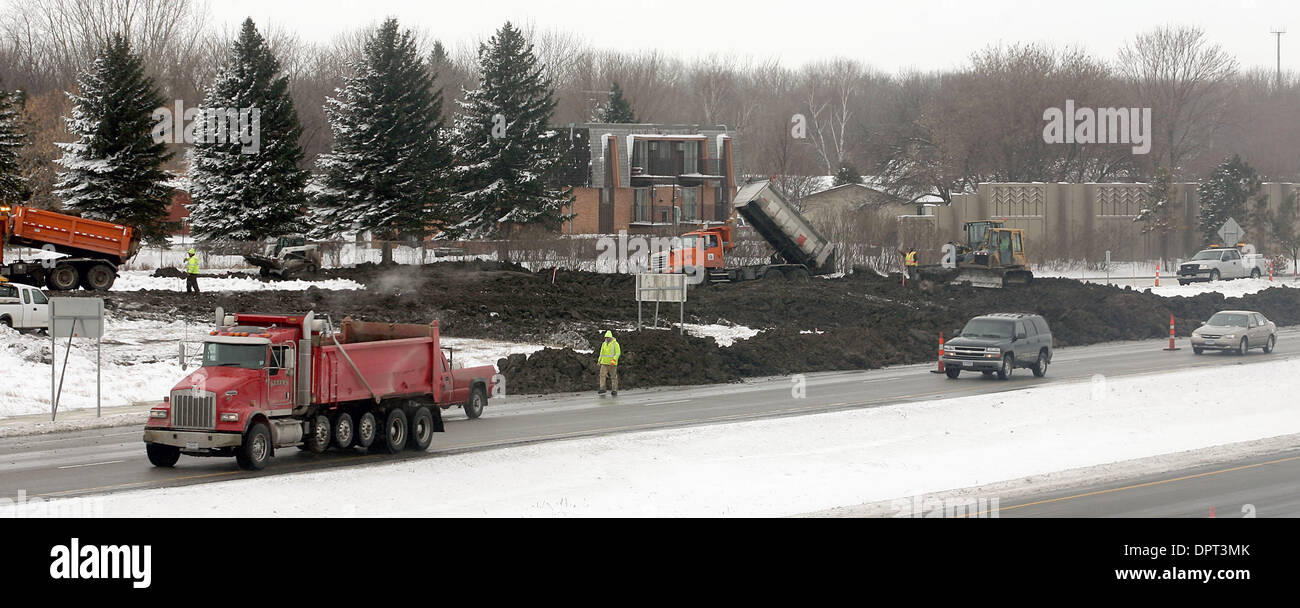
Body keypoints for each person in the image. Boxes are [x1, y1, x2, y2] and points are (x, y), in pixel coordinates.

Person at [597, 330, 621, 396]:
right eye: (606, 337)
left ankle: (614, 390)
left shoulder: (615, 344)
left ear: (610, 337)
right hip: (604, 363)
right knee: (602, 375)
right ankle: (602, 388)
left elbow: (618, 353)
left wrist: (614, 360)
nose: (606, 338)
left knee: (613, 377)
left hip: (612, 364)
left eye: (608, 337)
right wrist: (599, 361)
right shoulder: (604, 344)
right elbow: (601, 353)